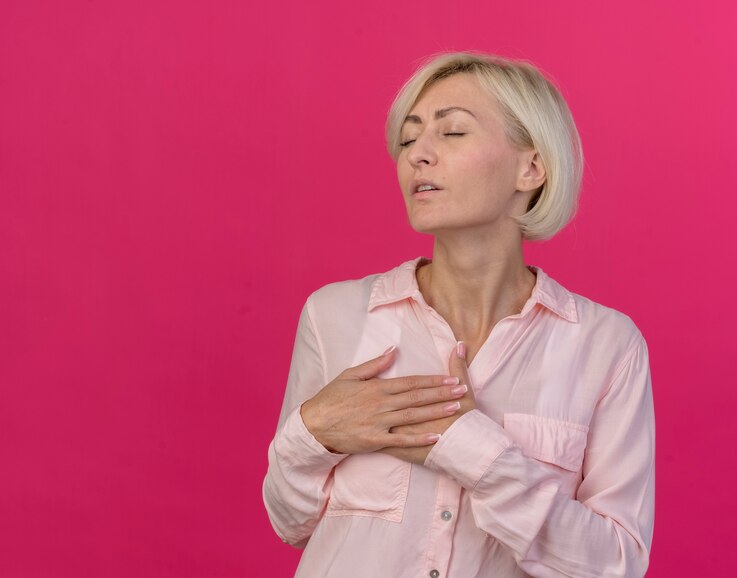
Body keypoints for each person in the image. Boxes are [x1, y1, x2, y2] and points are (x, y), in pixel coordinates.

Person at [262, 51, 655, 578]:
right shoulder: (335, 316)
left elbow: (617, 565)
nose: (417, 156)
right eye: (407, 139)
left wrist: (478, 453)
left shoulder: (606, 345)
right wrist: (313, 432)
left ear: (531, 167)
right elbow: (291, 523)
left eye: (451, 134)